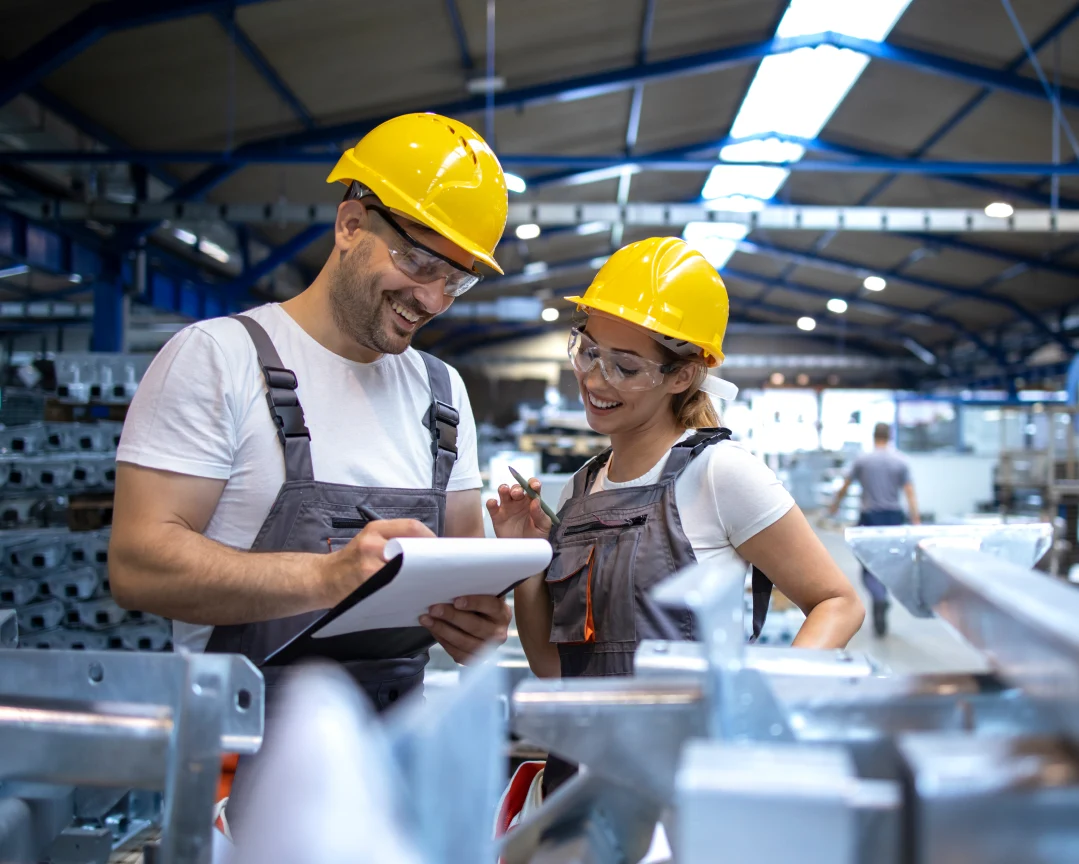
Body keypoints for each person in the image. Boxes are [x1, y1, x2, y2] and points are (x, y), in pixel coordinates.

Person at [108, 113, 514, 826]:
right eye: (419, 263)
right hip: (238, 781)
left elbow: (461, 575)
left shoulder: (442, 394)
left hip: (389, 777)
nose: (432, 300)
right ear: (351, 224)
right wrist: (328, 577)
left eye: (456, 281)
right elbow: (140, 565)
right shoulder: (219, 359)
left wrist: (479, 625)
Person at [488, 237, 865, 802]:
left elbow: (839, 603)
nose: (595, 379)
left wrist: (761, 705)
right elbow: (551, 665)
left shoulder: (720, 473)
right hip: (581, 785)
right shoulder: (580, 490)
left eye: (625, 366)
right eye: (588, 351)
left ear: (682, 375)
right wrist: (526, 559)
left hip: (687, 788)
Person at [829, 421, 920, 637]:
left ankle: (878, 597)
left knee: (869, 566)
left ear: (874, 436)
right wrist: (915, 519)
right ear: (890, 436)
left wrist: (834, 507)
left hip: (870, 518)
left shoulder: (863, 460)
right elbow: (909, 491)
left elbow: (846, 485)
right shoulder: (900, 461)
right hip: (894, 519)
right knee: (889, 563)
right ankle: (883, 596)